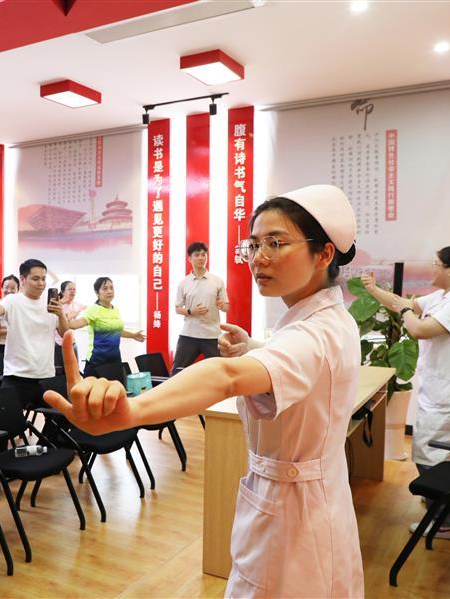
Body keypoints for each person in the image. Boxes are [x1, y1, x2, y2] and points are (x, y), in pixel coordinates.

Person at [45, 185, 364, 598]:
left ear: (323, 254)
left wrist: (133, 411)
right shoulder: (328, 319)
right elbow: (293, 362)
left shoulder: (313, 333)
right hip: (308, 499)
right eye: (254, 245)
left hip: (295, 517)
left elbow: (226, 376)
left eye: (276, 243)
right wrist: (254, 348)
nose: (259, 257)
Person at [361, 245, 450, 541]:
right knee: (442, 451)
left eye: (436, 264)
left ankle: (448, 522)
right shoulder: (445, 296)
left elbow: (419, 329)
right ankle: (449, 504)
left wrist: (406, 310)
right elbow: (401, 303)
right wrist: (373, 290)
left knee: (432, 454)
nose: (431, 268)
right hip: (442, 389)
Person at [0, 260, 69, 409]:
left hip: (46, 376)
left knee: (62, 417)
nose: (41, 283)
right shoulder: (13, 300)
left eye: (43, 279)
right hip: (17, 376)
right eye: (35, 279)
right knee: (7, 419)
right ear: (23, 279)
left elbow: (65, 333)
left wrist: (61, 314)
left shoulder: (50, 304)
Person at [66, 277, 145, 377]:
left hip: (115, 360)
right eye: (105, 288)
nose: (109, 291)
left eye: (111, 288)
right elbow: (74, 325)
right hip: (97, 361)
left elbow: (116, 331)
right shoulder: (93, 310)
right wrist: (67, 317)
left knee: (117, 387)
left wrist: (133, 335)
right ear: (97, 292)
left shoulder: (115, 309)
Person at [171, 242, 230, 373]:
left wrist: (221, 305)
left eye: (203, 255)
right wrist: (191, 311)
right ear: (189, 258)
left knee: (219, 373)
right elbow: (177, 308)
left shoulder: (217, 281)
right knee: (177, 372)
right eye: (197, 255)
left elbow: (226, 307)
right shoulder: (183, 283)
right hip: (189, 334)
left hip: (212, 334)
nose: (201, 258)